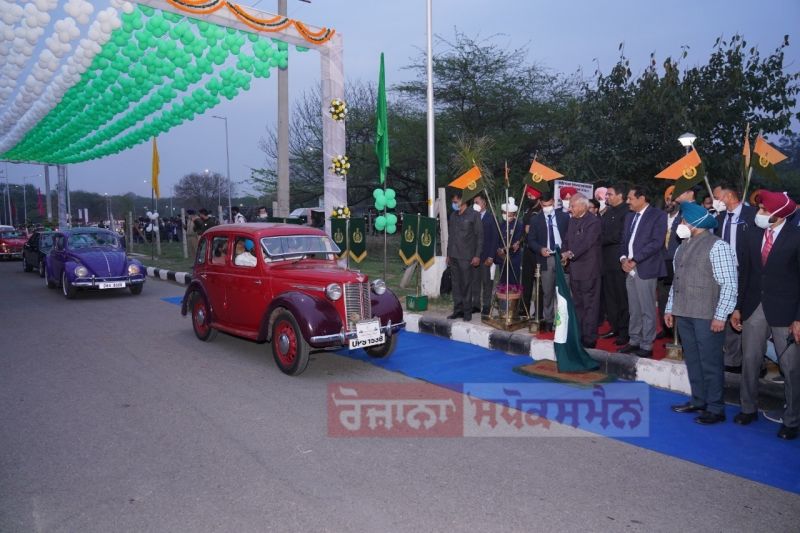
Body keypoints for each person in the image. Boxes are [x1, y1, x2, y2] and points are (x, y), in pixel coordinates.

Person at [731, 190, 800, 440]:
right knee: (749, 360)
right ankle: (747, 408)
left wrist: (798, 318)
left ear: (778, 215)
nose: (758, 214)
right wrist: (738, 307)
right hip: (753, 306)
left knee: (790, 367)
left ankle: (792, 420)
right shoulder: (751, 234)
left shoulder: (796, 237)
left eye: (763, 210)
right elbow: (745, 273)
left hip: (786, 310)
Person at [665, 201, 737, 424]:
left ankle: (716, 408)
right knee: (693, 359)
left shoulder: (718, 246)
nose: (681, 224)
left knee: (710, 362)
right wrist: (670, 308)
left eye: (684, 221)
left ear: (695, 223)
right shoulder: (682, 246)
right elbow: (677, 281)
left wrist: (720, 315)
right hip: (684, 311)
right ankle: (698, 400)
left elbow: (729, 284)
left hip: (707, 314)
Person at [712, 181, 757, 373]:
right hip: (724, 273)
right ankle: (732, 361)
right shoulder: (719, 218)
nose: (715, 201)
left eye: (717, 197)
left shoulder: (752, 216)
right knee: (728, 312)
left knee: (749, 317)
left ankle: (755, 363)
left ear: (729, 196)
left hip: (749, 273)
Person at [619, 185, 667, 358]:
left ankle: (647, 344)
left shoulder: (658, 215)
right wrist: (623, 258)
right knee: (634, 308)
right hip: (629, 268)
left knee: (647, 308)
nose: (627, 201)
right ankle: (634, 340)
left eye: (630, 198)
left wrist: (635, 260)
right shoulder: (629, 217)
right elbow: (624, 241)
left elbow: (656, 242)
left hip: (645, 267)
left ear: (642, 198)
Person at [562, 193, 602, 348]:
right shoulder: (572, 221)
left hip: (589, 270)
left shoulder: (594, 221)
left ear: (582, 206)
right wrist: (564, 253)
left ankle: (589, 338)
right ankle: (578, 334)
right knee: (577, 303)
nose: (570, 209)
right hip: (575, 269)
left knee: (590, 305)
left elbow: (586, 243)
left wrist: (570, 254)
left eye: (572, 206)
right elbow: (567, 240)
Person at [528, 191, 570, 332]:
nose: (547, 207)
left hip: (562, 258)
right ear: (540, 204)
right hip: (546, 258)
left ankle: (563, 320)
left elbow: (570, 237)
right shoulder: (535, 220)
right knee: (547, 292)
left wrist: (567, 252)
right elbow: (531, 240)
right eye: (545, 205)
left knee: (563, 292)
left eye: (550, 204)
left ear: (553, 201)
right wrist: (540, 249)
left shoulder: (564, 217)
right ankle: (549, 320)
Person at [446, 189, 483, 322]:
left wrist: (477, 255)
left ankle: (467, 312)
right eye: (453, 202)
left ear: (463, 201)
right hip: (454, 255)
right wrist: (448, 254)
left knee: (466, 284)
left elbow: (480, 237)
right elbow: (450, 237)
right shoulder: (453, 215)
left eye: (455, 201)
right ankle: (458, 310)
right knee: (455, 284)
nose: (454, 203)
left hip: (467, 256)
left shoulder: (474, 215)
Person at [600, 184, 630, 345]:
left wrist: (600, 239)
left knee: (621, 297)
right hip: (605, 261)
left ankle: (625, 331)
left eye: (610, 194)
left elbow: (619, 236)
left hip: (619, 260)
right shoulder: (608, 213)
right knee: (610, 298)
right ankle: (614, 326)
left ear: (620, 196)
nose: (607, 197)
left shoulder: (627, 212)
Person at [472, 193, 498, 316]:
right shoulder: (472, 217)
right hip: (474, 256)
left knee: (487, 283)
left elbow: (495, 238)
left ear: (484, 204)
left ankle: (486, 305)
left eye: (477, 202)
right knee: (475, 282)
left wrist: (491, 256)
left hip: (486, 257)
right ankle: (476, 305)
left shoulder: (491, 218)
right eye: (474, 203)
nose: (475, 205)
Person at [495, 197, 524, 287]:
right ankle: (503, 300)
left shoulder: (518, 225)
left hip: (513, 258)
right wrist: (499, 251)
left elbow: (517, 242)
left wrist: (506, 250)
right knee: (503, 282)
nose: (505, 215)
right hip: (502, 258)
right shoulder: (501, 224)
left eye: (508, 214)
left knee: (513, 283)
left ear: (514, 214)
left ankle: (514, 300)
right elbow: (498, 239)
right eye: (504, 213)